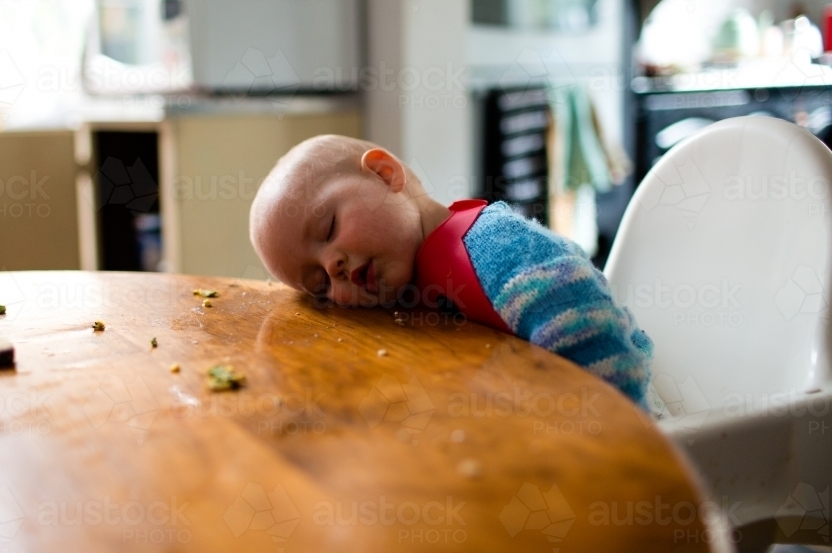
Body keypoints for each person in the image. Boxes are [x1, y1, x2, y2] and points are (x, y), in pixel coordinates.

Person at [249, 135, 653, 406]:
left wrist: (601, 438)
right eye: (318, 285)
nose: (332, 267)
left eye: (328, 228)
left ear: (384, 174)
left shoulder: (496, 247)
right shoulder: (394, 287)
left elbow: (592, 336)